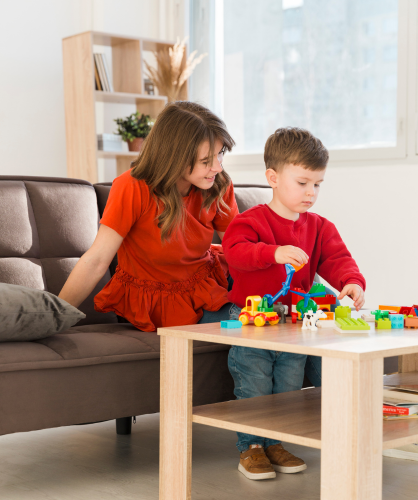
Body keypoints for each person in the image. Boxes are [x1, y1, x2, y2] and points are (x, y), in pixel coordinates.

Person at [222, 127, 366, 481]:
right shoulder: (250, 221)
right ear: (272, 178)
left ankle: (277, 443)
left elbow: (338, 259)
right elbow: (235, 253)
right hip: (251, 321)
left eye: (317, 184)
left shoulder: (319, 227)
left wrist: (351, 283)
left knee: (287, 389)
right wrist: (273, 252)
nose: (311, 193)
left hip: (295, 325)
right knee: (254, 385)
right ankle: (251, 449)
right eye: (302, 183)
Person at [58, 101, 239, 330]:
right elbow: (96, 261)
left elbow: (239, 247)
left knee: (281, 314)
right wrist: (56, 318)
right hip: (165, 298)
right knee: (245, 324)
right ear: (174, 157)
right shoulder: (132, 187)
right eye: (206, 161)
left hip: (210, 279)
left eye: (220, 154)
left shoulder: (219, 183)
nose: (218, 168)